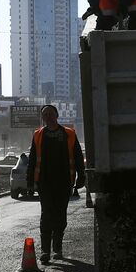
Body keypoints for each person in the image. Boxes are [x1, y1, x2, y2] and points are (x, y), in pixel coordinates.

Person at [25, 104, 86, 263]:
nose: (48, 116)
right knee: (47, 215)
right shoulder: (38, 135)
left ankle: (57, 248)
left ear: (57, 115)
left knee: (60, 215)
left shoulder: (69, 134)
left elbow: (78, 156)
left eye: (51, 113)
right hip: (44, 183)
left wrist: (81, 177)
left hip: (64, 182)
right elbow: (32, 160)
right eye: (45, 114)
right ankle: (45, 251)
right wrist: (30, 183)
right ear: (42, 117)